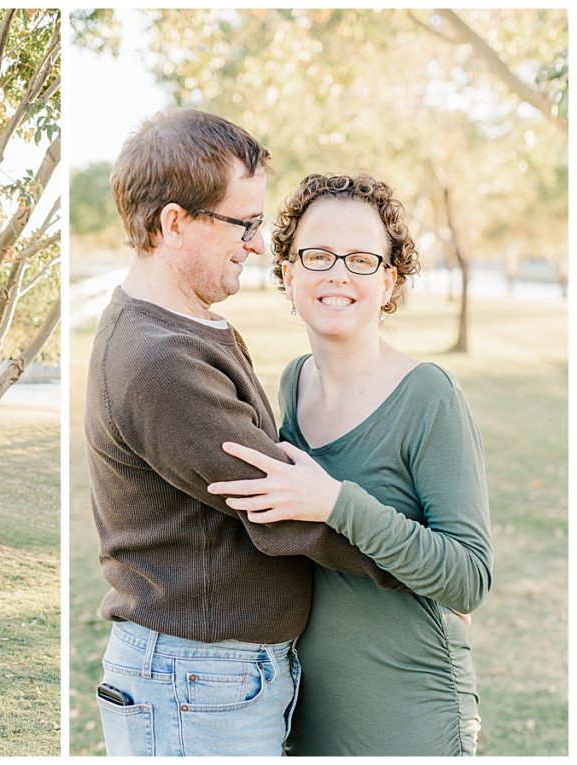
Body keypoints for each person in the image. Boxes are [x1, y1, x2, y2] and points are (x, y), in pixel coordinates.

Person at [85, 110, 406, 757]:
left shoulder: (189, 325)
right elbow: (282, 510)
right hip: (195, 684)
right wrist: (418, 563)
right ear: (174, 223)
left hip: (212, 679)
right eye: (243, 224)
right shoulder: (160, 359)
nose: (257, 245)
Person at [207, 172, 493, 755]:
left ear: (389, 282)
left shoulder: (429, 396)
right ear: (287, 274)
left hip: (408, 713)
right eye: (317, 255)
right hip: (303, 708)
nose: (338, 272)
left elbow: (469, 577)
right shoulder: (293, 381)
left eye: (362, 259)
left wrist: (336, 502)